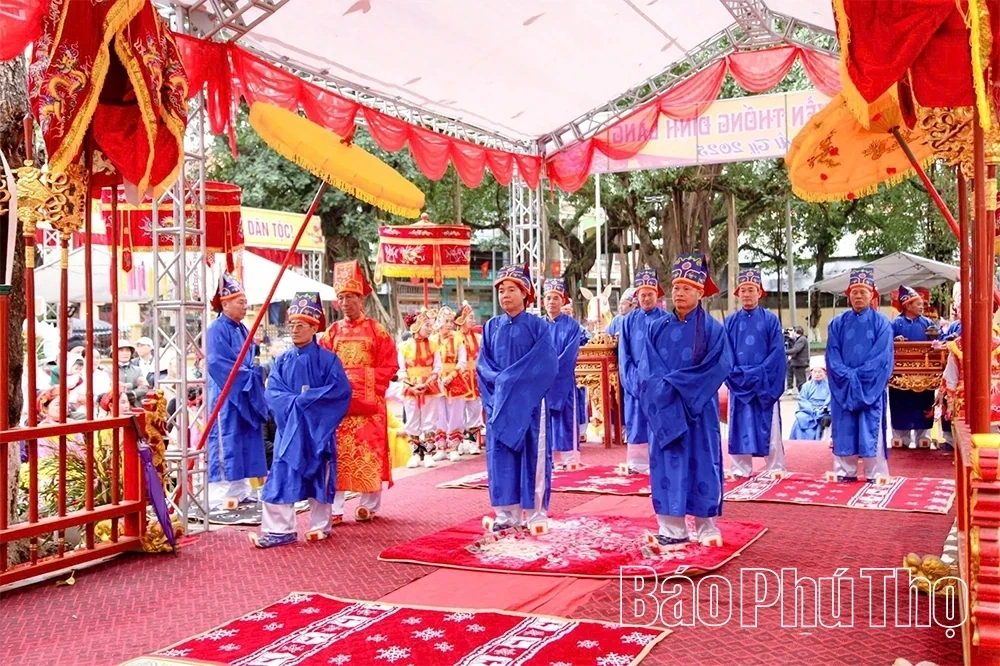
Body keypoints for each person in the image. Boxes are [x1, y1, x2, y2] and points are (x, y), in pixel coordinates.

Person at [639, 252, 731, 551]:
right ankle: (672, 528)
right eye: (676, 287)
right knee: (667, 465)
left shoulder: (713, 329)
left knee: (703, 462)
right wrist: (664, 390)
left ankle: (706, 526)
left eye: (687, 288)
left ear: (700, 292)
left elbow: (718, 366)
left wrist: (677, 385)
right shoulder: (656, 327)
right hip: (664, 409)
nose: (679, 293)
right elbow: (646, 368)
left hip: (697, 409)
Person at [252, 293, 352, 548]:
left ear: (314, 327)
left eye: (301, 325)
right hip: (290, 429)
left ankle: (320, 526)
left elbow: (340, 391)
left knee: (320, 472)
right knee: (282, 474)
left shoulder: (328, 359)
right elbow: (272, 392)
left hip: (318, 429)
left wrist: (306, 401)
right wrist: (297, 402)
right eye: (292, 325)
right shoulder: (282, 360)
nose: (295, 330)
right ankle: (280, 529)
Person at [478, 264, 558, 532]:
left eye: (511, 290)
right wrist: (499, 388)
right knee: (500, 456)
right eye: (501, 290)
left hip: (529, 403)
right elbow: (483, 365)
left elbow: (545, 362)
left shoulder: (538, 327)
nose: (505, 295)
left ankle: (536, 514)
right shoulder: (490, 327)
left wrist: (510, 381)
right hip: (500, 404)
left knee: (533, 455)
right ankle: (506, 514)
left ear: (526, 294)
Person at [319, 260, 399, 524]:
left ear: (360, 298)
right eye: (341, 297)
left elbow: (389, 364)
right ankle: (337, 508)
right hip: (340, 406)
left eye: (350, 296)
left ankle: (369, 505)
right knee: (337, 454)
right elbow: (323, 366)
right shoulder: (331, 333)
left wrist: (367, 385)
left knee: (370, 450)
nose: (345, 302)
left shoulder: (377, 331)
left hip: (369, 404)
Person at [205, 273, 268, 509]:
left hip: (244, 392)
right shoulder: (216, 330)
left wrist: (253, 374)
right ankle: (220, 494)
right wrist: (247, 376)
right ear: (225, 303)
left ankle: (241, 489)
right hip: (226, 394)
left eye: (246, 302)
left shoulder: (243, 329)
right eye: (241, 303)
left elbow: (251, 359)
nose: (245, 307)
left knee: (246, 438)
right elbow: (216, 363)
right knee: (226, 440)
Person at [826, 267, 894, 482]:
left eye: (863, 292)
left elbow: (881, 357)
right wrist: (846, 376)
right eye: (854, 292)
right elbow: (832, 354)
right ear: (849, 295)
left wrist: (857, 377)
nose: (858, 296)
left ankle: (875, 472)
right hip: (843, 386)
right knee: (844, 426)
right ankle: (846, 471)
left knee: (870, 426)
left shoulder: (881, 322)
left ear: (872, 294)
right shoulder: (837, 323)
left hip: (870, 385)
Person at [723, 267, 787, 479]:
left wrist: (758, 374)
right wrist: (737, 375)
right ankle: (741, 468)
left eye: (751, 289)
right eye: (743, 290)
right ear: (737, 293)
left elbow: (777, 353)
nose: (747, 294)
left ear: (759, 292)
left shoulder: (771, 320)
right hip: (739, 382)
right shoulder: (730, 322)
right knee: (738, 423)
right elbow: (726, 353)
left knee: (770, 426)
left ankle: (775, 467)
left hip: (764, 383)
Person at [618, 269, 667, 474]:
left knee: (658, 421)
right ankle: (637, 463)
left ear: (657, 294)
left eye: (650, 294)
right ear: (636, 296)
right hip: (635, 379)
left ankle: (659, 461)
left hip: (658, 381)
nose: (646, 298)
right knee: (636, 420)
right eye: (642, 294)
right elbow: (624, 355)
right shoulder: (628, 321)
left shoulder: (666, 319)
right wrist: (631, 379)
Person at [889, 285, 937, 448]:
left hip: (925, 371)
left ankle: (923, 436)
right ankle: (900, 437)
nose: (922, 307)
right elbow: (885, 343)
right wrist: (895, 341)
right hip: (900, 372)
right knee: (900, 402)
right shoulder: (895, 324)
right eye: (918, 304)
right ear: (907, 305)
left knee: (924, 404)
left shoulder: (928, 323)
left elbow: (939, 341)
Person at [543, 278, 584, 468]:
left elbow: (569, 354)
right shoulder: (537, 325)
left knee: (566, 418)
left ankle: (569, 459)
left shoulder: (572, 326)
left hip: (564, 380)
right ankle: (546, 458)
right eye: (548, 298)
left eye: (556, 298)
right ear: (543, 301)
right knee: (544, 421)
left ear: (563, 301)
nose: (552, 302)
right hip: (541, 382)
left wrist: (552, 370)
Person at [399, 308, 442, 468]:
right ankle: (415, 454)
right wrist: (412, 386)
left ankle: (429, 453)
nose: (430, 329)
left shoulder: (434, 345)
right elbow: (402, 370)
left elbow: (437, 368)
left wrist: (427, 383)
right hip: (411, 389)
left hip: (429, 387)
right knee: (412, 420)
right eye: (427, 325)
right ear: (416, 327)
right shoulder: (404, 347)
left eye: (430, 325)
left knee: (429, 420)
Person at [432, 306, 470, 462]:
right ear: (439, 322)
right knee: (438, 413)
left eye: (450, 321)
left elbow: (462, 361)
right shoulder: (432, 340)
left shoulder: (458, 338)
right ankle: (441, 447)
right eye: (446, 321)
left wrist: (451, 376)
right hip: (437, 380)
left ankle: (454, 447)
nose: (449, 324)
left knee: (456, 413)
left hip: (455, 378)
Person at [455, 302, 483, 455]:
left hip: (474, 376)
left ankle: (472, 441)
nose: (473, 320)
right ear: (462, 319)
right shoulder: (454, 338)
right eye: (470, 317)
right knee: (457, 411)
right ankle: (457, 442)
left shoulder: (478, 338)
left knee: (474, 409)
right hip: (459, 377)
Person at [790, 356, 832, 440]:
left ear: (825, 373)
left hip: (824, 411)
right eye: (815, 372)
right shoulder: (806, 386)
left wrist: (822, 410)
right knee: (800, 421)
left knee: (824, 419)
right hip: (808, 411)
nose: (817, 374)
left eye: (820, 372)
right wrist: (812, 410)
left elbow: (830, 400)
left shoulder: (830, 386)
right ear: (811, 373)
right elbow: (802, 400)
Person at [786, 326, 809, 392]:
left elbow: (796, 349)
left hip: (799, 363)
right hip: (798, 363)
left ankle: (803, 394)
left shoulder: (802, 339)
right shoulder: (800, 339)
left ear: (796, 332)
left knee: (801, 381)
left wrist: (783, 351)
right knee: (799, 381)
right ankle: (802, 393)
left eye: (792, 331)